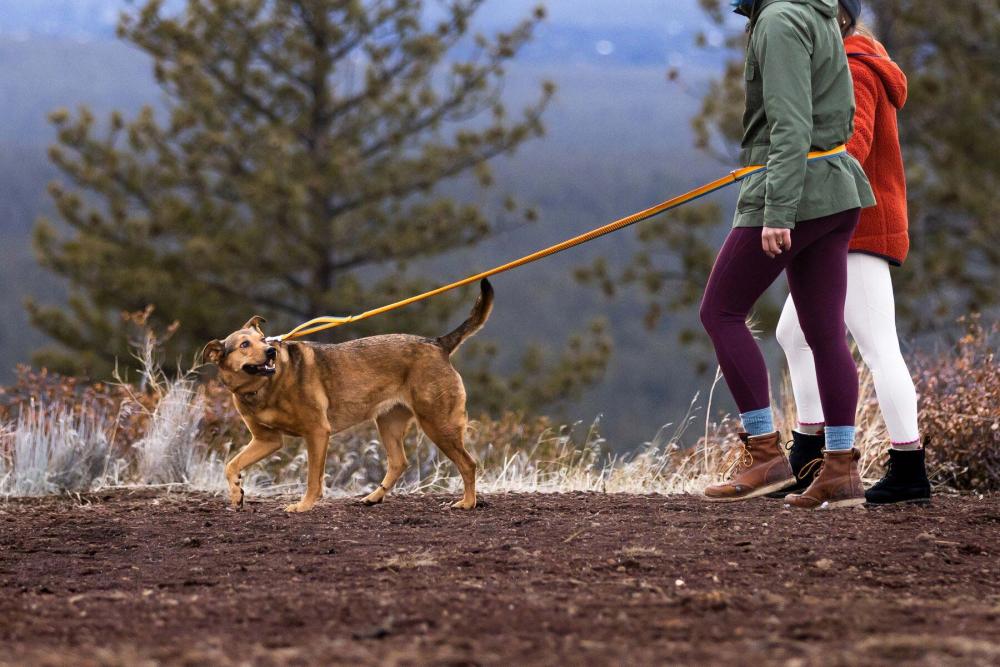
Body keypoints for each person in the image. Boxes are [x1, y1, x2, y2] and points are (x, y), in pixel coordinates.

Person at [700, 0, 875, 508]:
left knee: (720, 312)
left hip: (794, 197)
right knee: (825, 333)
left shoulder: (778, 19)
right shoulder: (817, 10)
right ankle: (840, 469)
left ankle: (764, 455)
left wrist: (778, 210)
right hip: (836, 190)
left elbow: (791, 125)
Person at [775, 0, 931, 505]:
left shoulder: (855, 69)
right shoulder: (842, 63)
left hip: (860, 226)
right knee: (793, 333)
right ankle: (809, 455)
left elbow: (852, 149)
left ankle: (909, 470)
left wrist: (790, 172)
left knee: (878, 346)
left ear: (838, 17)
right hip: (839, 225)